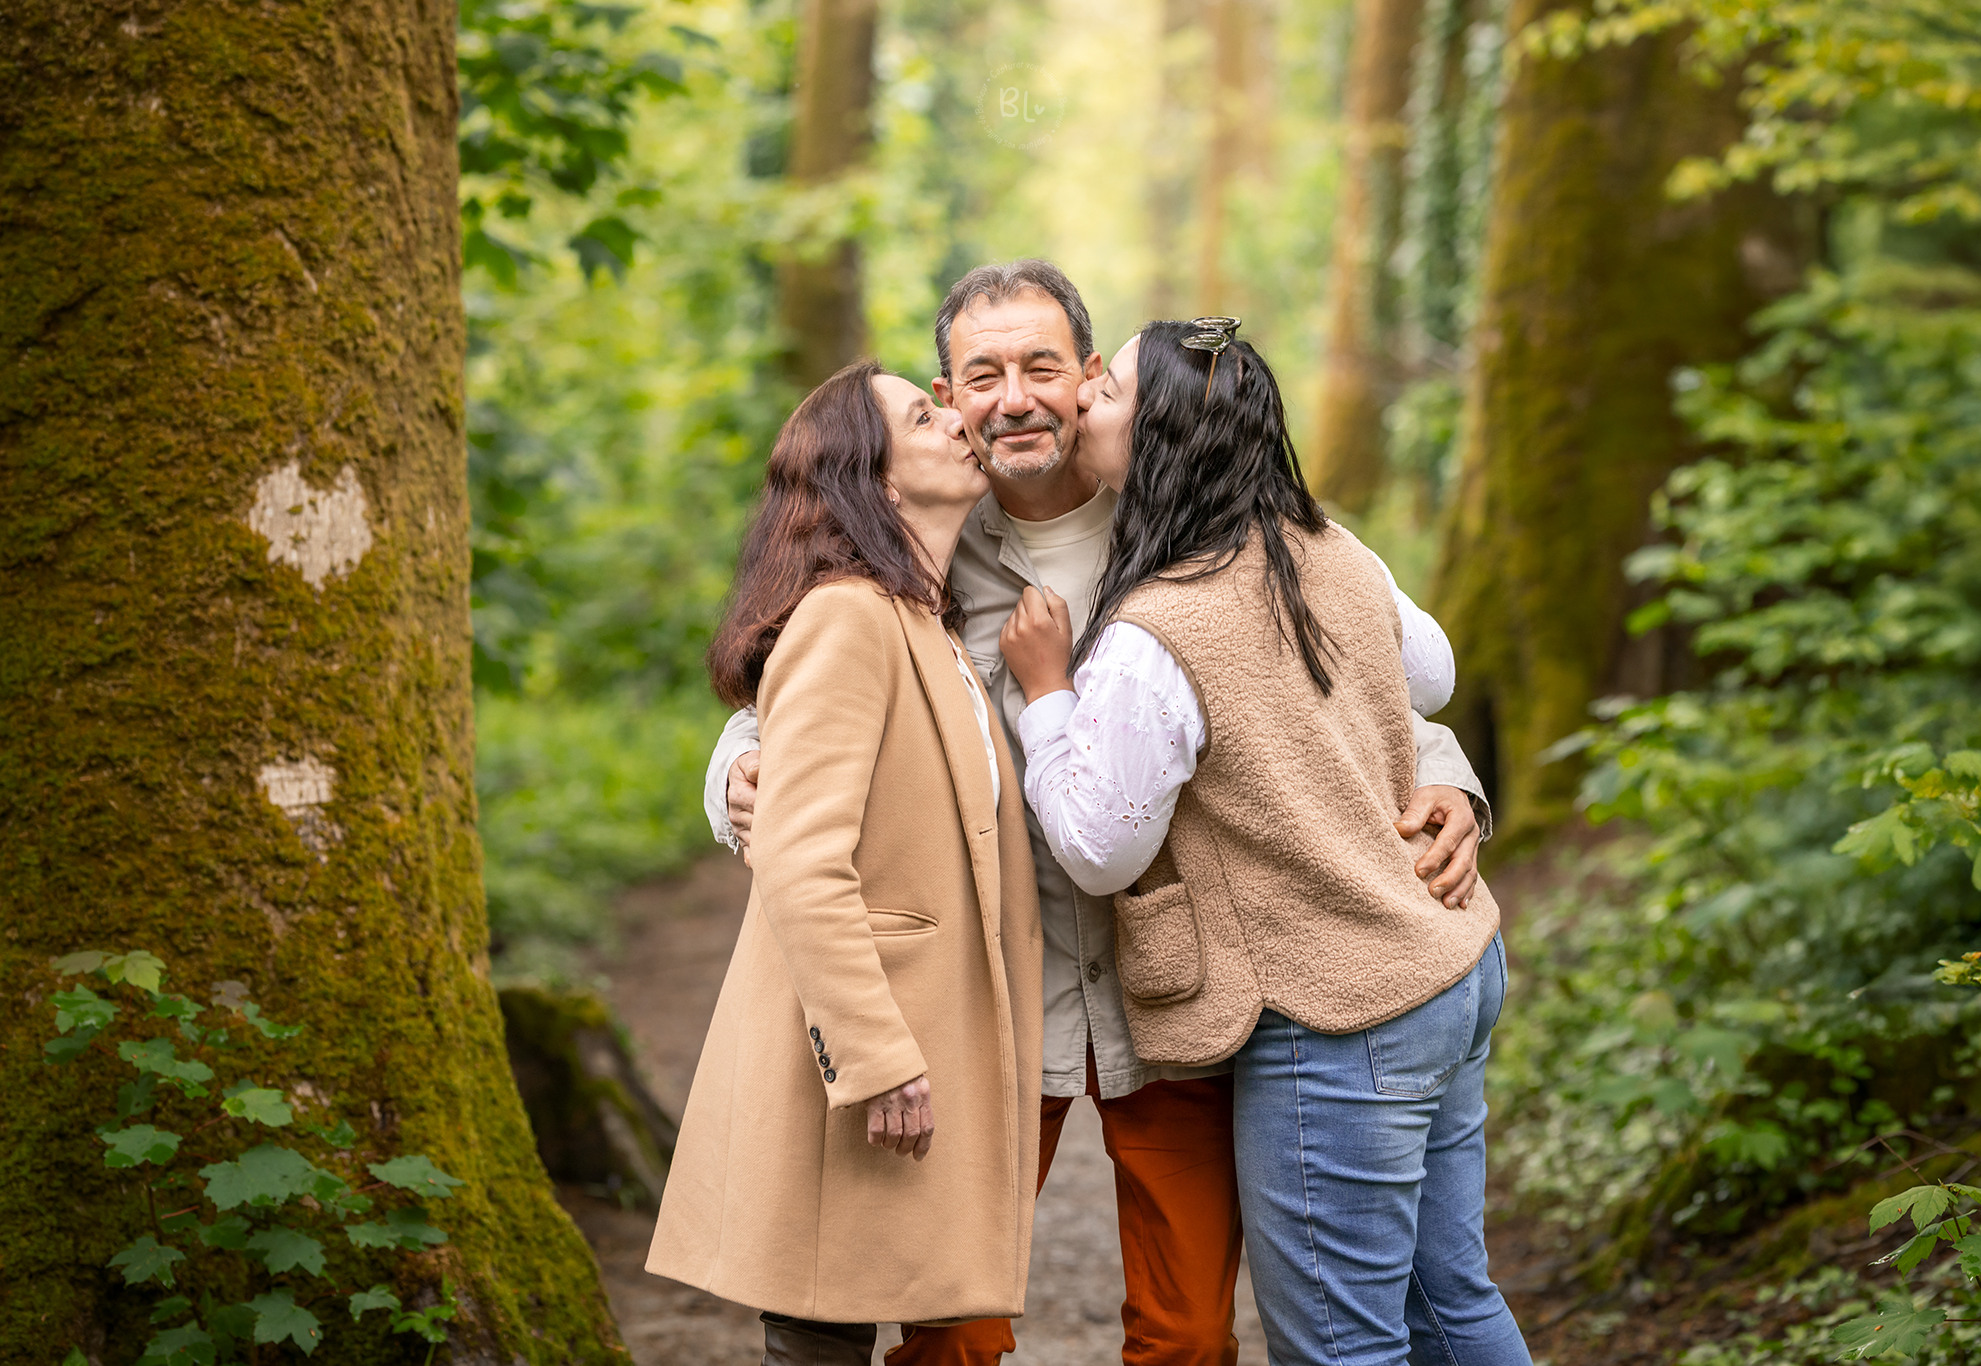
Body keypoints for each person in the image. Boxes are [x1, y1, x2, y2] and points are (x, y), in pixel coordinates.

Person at [705, 261, 1492, 1366]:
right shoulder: (919, 536)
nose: (1013, 397)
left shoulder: (1181, 502)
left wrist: (1445, 771)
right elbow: (791, 676)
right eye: (979, 376)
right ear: (948, 393)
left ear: (1087, 378)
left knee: (1185, 1335)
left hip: (1175, 993)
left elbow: (1338, 660)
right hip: (985, 998)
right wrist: (732, 772)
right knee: (953, 1326)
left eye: (1041, 366)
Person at [1000, 318, 1531, 1366]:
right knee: (1448, 1300)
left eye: (1101, 390)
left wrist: (1045, 694)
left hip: (1340, 1012)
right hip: (1450, 963)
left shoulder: (1156, 629)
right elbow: (1428, 673)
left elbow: (1097, 850)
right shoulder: (1324, 546)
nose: (1075, 403)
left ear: (1152, 437)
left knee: (1341, 1346)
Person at [644, 361, 1045, 1366]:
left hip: (916, 1045)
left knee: (843, 1319)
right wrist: (873, 1056)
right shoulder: (847, 616)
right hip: (864, 1051)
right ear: (877, 479)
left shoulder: (924, 622)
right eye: (923, 413)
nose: (956, 418)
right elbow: (799, 854)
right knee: (818, 1332)